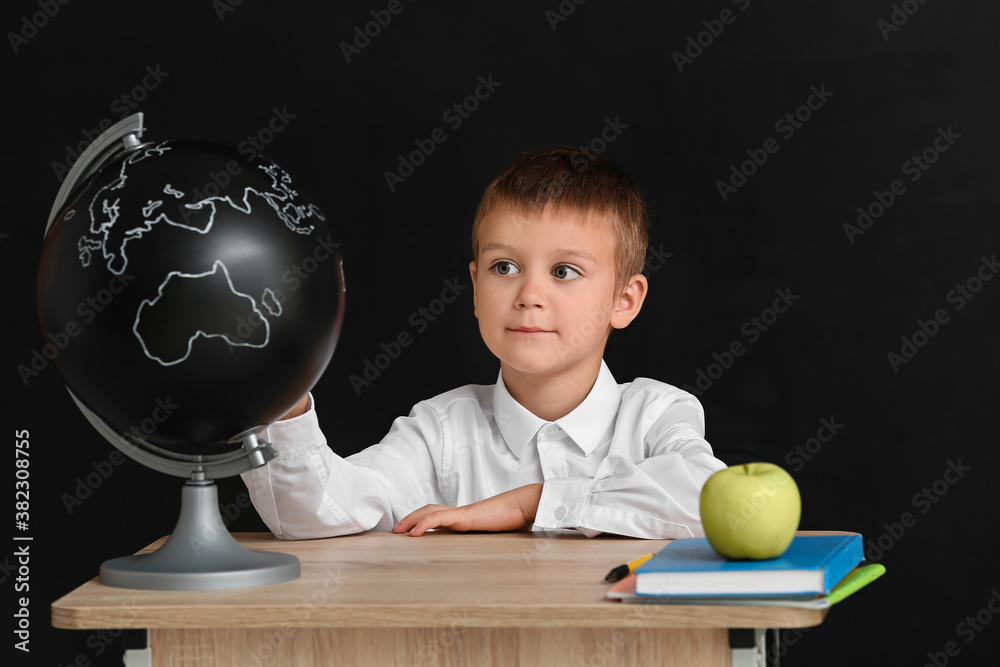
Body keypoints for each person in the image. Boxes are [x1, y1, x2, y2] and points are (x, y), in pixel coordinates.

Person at [241, 146, 727, 540]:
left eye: (564, 272)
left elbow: (713, 501)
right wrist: (285, 401)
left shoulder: (656, 415)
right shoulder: (440, 433)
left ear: (624, 299)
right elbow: (321, 512)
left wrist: (528, 502)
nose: (529, 295)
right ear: (475, 288)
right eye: (504, 267)